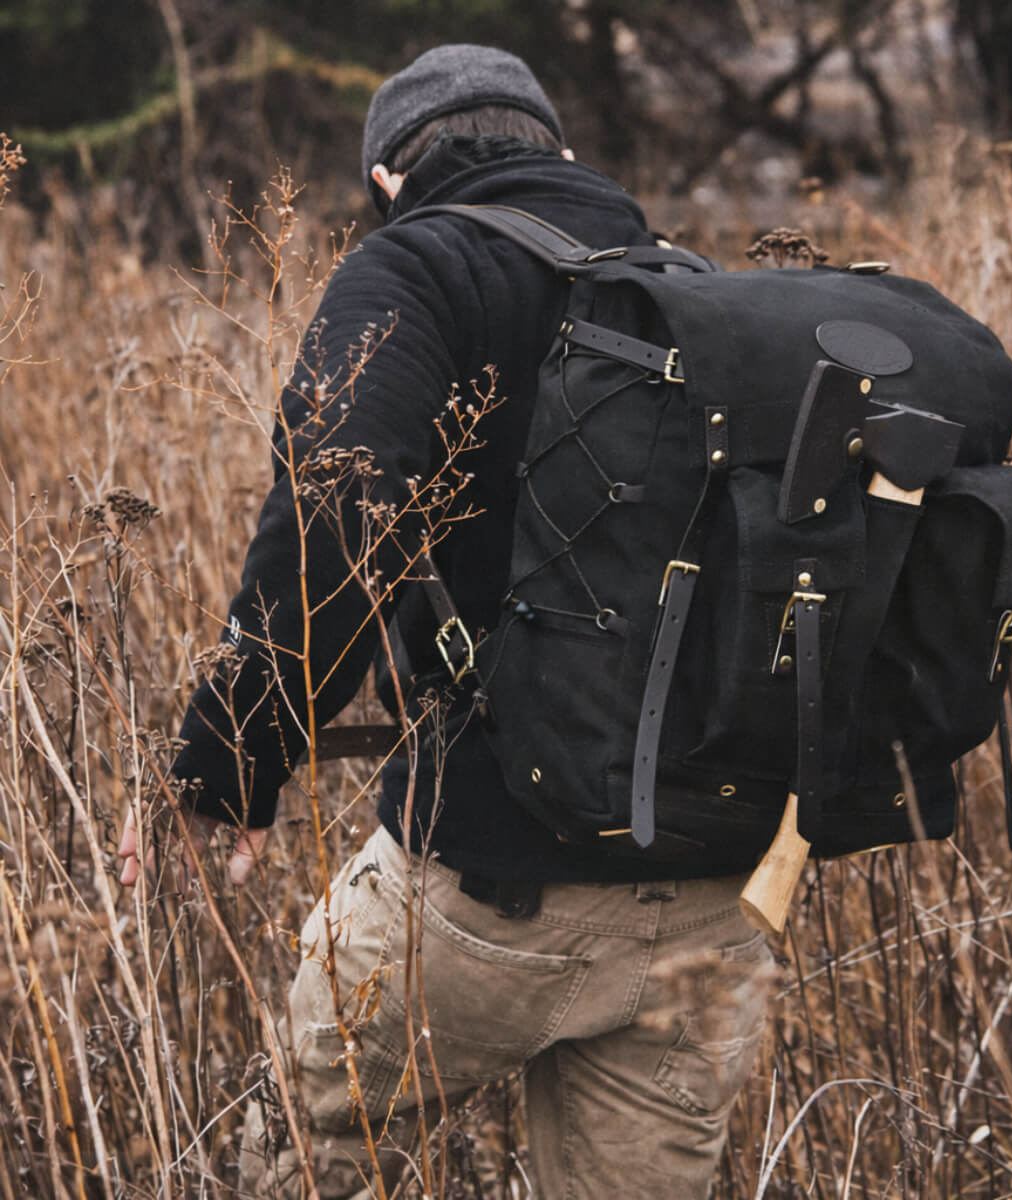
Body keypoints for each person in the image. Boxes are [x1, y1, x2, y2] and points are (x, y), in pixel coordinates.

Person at [118, 44, 773, 1198]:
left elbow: (335, 515)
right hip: (710, 902)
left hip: (485, 887)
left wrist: (227, 765)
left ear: (384, 180)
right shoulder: (702, 289)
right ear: (561, 152)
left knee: (296, 1150)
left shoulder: (414, 268)